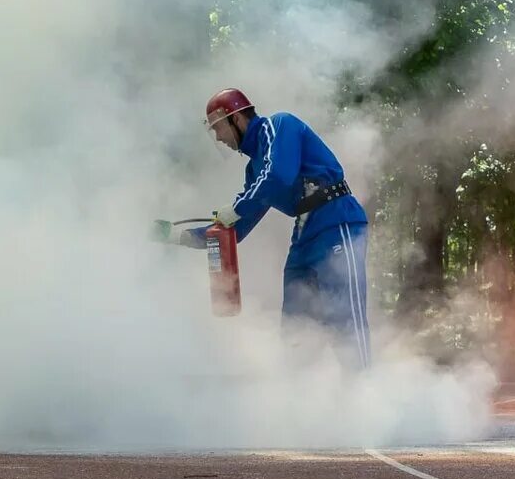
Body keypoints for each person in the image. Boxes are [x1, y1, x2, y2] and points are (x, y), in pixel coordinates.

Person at [152, 88, 371, 367]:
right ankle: (301, 396)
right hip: (304, 236)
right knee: (295, 328)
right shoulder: (254, 171)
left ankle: (364, 390)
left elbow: (278, 176)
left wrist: (238, 208)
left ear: (238, 118)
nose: (218, 137)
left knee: (346, 317)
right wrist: (176, 235)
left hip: (336, 221)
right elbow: (235, 230)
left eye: (219, 128)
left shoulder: (280, 125)